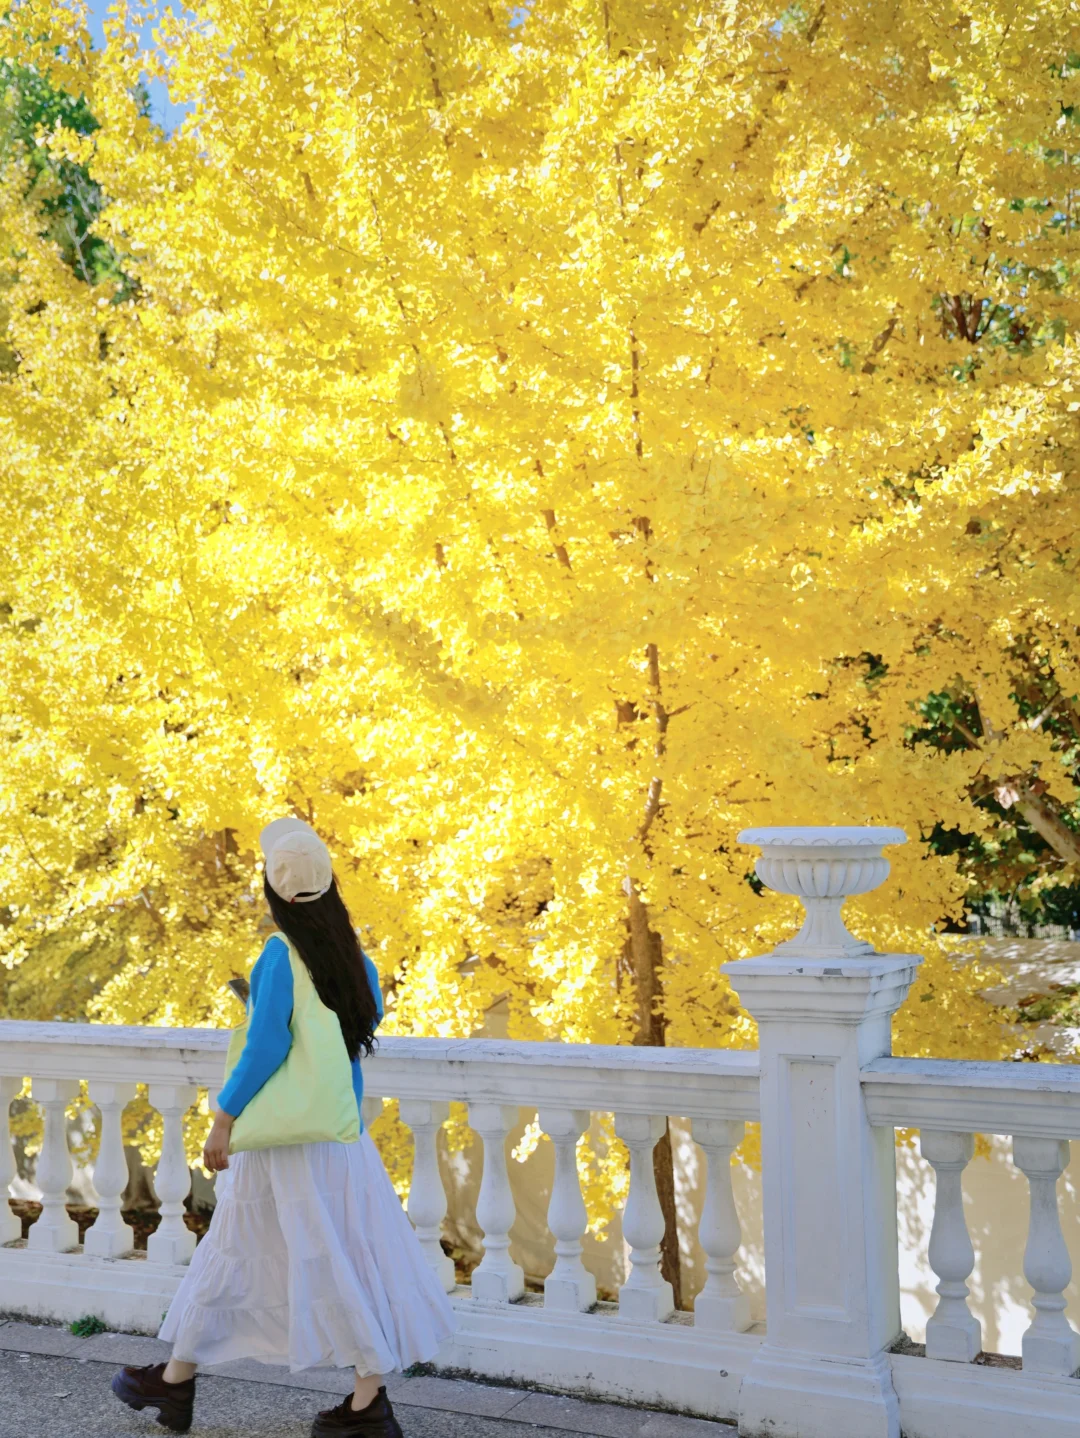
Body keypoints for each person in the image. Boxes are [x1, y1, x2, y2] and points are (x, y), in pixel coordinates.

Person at [112, 817, 455, 1437]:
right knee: (337, 1258)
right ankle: (357, 1401)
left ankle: (179, 1385)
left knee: (235, 1252)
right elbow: (360, 1022)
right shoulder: (357, 959)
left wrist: (223, 1119)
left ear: (277, 894)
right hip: (340, 1140)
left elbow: (267, 1045)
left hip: (284, 1144)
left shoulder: (278, 956)